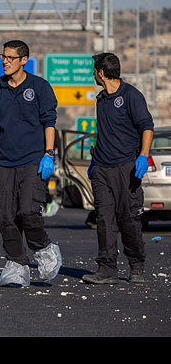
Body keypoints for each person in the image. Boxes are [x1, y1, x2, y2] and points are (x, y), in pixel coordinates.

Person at [0, 40, 62, 287]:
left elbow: (49, 122)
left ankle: (45, 249)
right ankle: (17, 265)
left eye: (11, 58)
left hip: (34, 160)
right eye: (3, 57)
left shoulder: (40, 87)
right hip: (4, 162)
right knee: (2, 214)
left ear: (24, 60)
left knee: (28, 212)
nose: (5, 61)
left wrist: (48, 153)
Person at [82, 53, 154, 285]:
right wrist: (94, 164)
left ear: (101, 73)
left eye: (94, 71)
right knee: (104, 219)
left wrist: (143, 156)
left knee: (129, 219)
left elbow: (147, 127)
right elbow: (105, 133)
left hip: (126, 168)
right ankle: (107, 268)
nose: (93, 74)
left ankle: (136, 266)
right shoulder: (101, 99)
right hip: (102, 169)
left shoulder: (131, 96)